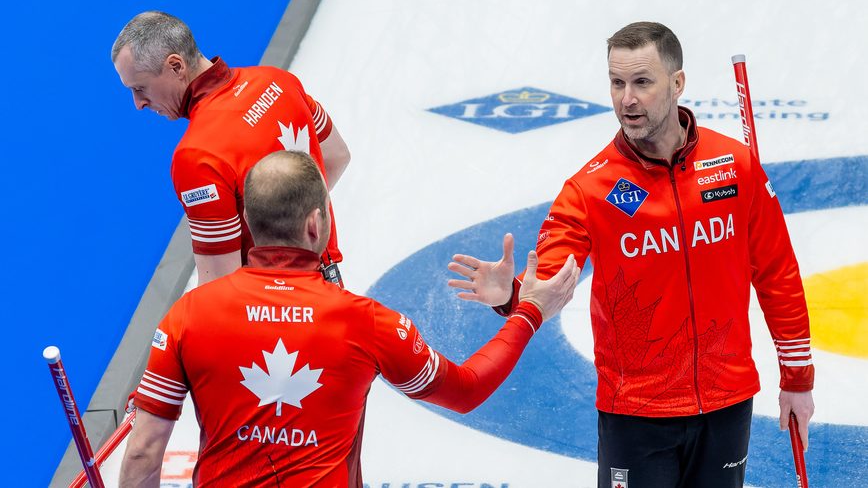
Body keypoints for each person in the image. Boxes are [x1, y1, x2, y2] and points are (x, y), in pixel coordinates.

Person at [447, 22, 814, 487]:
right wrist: (513, 294)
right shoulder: (590, 190)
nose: (626, 99)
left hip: (727, 402)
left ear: (677, 84)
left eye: (642, 82)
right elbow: (551, 278)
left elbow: (778, 274)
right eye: (617, 83)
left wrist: (797, 380)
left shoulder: (734, 167)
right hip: (637, 414)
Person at [118, 150, 580, 486]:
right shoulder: (366, 322)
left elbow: (143, 451)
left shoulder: (188, 314)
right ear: (317, 223)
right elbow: (466, 390)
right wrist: (527, 312)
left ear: (246, 219)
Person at [112, 11, 351, 286]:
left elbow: (219, 284)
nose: (138, 103)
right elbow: (336, 156)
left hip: (276, 310)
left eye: (140, 88)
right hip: (329, 287)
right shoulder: (278, 81)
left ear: (176, 66)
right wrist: (296, 225)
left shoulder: (197, 155)